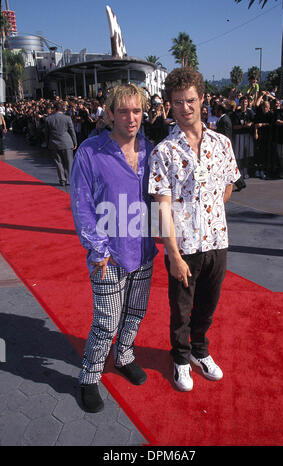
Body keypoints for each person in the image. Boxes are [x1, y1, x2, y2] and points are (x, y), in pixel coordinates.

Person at [149, 68, 240, 392]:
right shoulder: (163, 151)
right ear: (169, 106)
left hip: (218, 240)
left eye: (190, 100)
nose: (185, 108)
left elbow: (228, 187)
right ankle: (181, 359)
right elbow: (161, 206)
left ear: (202, 100)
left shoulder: (222, 143)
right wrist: (172, 254)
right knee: (182, 310)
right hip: (184, 246)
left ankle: (201, 351)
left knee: (208, 306)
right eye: (178, 102)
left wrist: (205, 207)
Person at [70, 83, 158, 412]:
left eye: (137, 110)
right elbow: (81, 204)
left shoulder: (151, 151)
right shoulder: (90, 152)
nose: (131, 117)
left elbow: (160, 201)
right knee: (106, 321)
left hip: (144, 250)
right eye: (123, 110)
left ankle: (123, 356)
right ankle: (90, 376)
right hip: (106, 254)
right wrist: (97, 249)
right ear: (109, 114)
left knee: (135, 313)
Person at [45, 101, 77, 185]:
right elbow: (72, 131)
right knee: (69, 162)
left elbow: (47, 133)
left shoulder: (48, 119)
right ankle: (69, 179)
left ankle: (62, 179)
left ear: (54, 109)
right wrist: (75, 142)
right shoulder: (67, 118)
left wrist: (47, 143)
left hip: (54, 143)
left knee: (58, 162)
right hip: (66, 142)